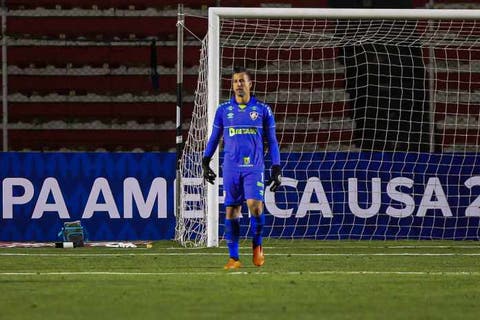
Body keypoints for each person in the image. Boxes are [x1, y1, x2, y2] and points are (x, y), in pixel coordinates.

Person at [202, 66, 281, 270]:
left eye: (242, 81)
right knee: (231, 211)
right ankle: (234, 258)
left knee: (255, 206)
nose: (238, 84)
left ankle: (257, 244)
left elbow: (272, 141)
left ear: (250, 84)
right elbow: (214, 138)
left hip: (254, 167)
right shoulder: (223, 110)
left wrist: (276, 167)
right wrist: (205, 160)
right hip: (230, 167)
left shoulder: (263, 110)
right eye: (235, 81)